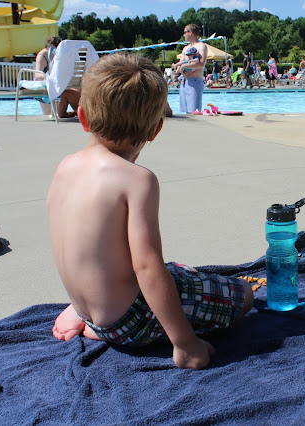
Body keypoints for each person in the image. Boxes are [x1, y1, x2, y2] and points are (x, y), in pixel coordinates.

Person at [49, 53, 253, 370]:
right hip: (129, 323)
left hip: (90, 309)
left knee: (179, 271)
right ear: (156, 129)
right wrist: (184, 343)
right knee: (243, 294)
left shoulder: (65, 166)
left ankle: (81, 313)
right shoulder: (137, 180)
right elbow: (147, 267)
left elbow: (82, 248)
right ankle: (116, 326)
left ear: (83, 117)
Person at [175, 24, 207, 113]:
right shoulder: (185, 48)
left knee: (194, 111)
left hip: (195, 81)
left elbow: (201, 63)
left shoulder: (201, 46)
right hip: (184, 82)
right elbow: (180, 64)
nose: (183, 35)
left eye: (185, 32)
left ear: (190, 32)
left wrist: (185, 67)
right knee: (185, 112)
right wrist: (177, 70)